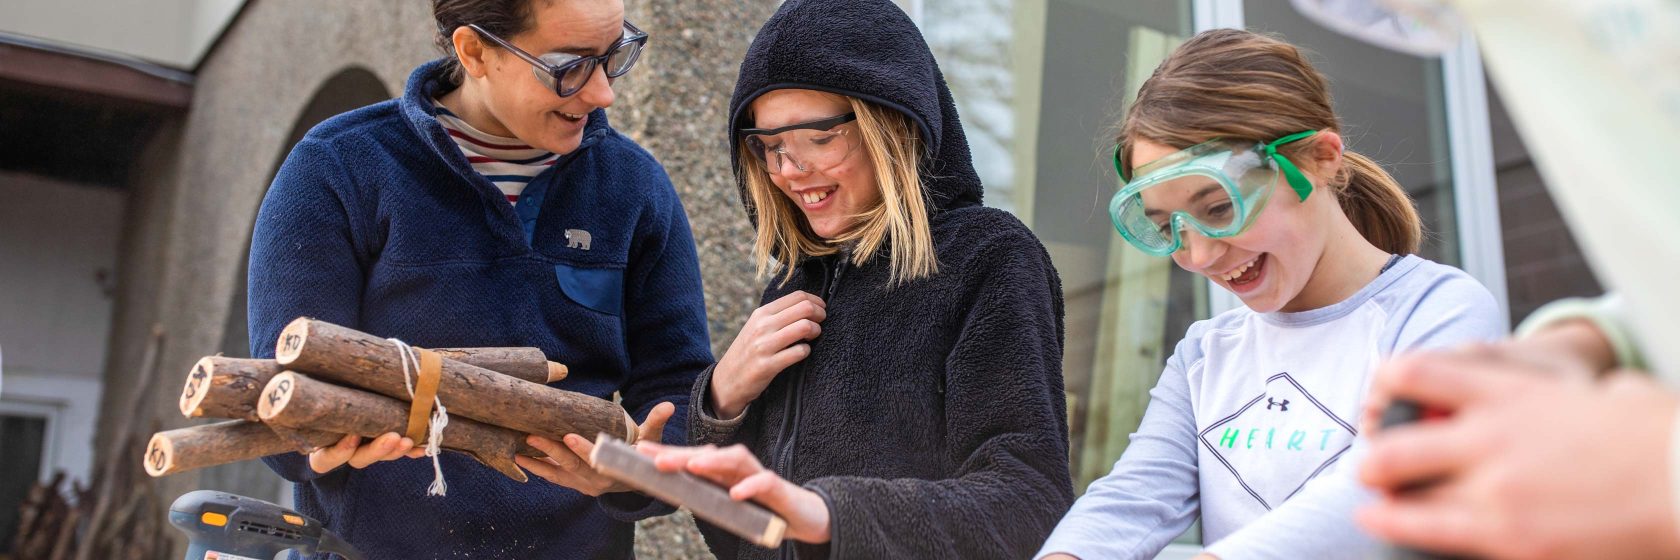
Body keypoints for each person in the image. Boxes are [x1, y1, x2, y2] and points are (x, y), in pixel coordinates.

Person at [246, 0, 712, 556]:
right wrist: (314, 441)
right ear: (474, 50)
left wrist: (638, 474)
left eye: (613, 57)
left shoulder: (633, 187)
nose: (602, 93)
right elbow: (281, 395)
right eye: (570, 67)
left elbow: (678, 388)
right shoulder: (339, 168)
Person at [1035, 29, 1503, 559]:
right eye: (1169, 226)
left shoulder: (1438, 311)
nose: (1199, 256)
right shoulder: (1204, 355)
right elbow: (1133, 499)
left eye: (1218, 208)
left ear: (1319, 159)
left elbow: (1379, 485)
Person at [632, 0, 1074, 558]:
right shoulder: (792, 289)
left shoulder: (989, 259)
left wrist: (831, 515)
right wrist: (720, 407)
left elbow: (1028, 503)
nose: (791, 171)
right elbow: (753, 542)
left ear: (891, 125)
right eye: (770, 147)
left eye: (818, 139)